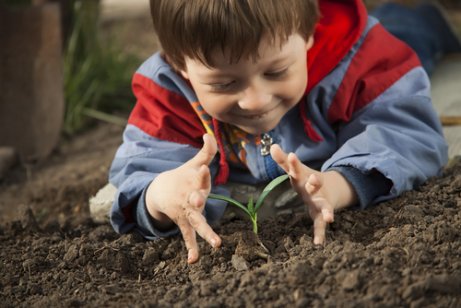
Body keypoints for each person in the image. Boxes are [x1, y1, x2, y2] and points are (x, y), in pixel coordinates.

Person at [108, 0, 449, 264]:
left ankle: (425, 19)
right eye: (225, 83)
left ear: (308, 33)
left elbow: (404, 127)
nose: (255, 100)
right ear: (180, 63)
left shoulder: (357, 61)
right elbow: (145, 161)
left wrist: (340, 184)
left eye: (277, 71)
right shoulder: (169, 96)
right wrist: (158, 196)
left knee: (409, 35)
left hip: (387, 43)